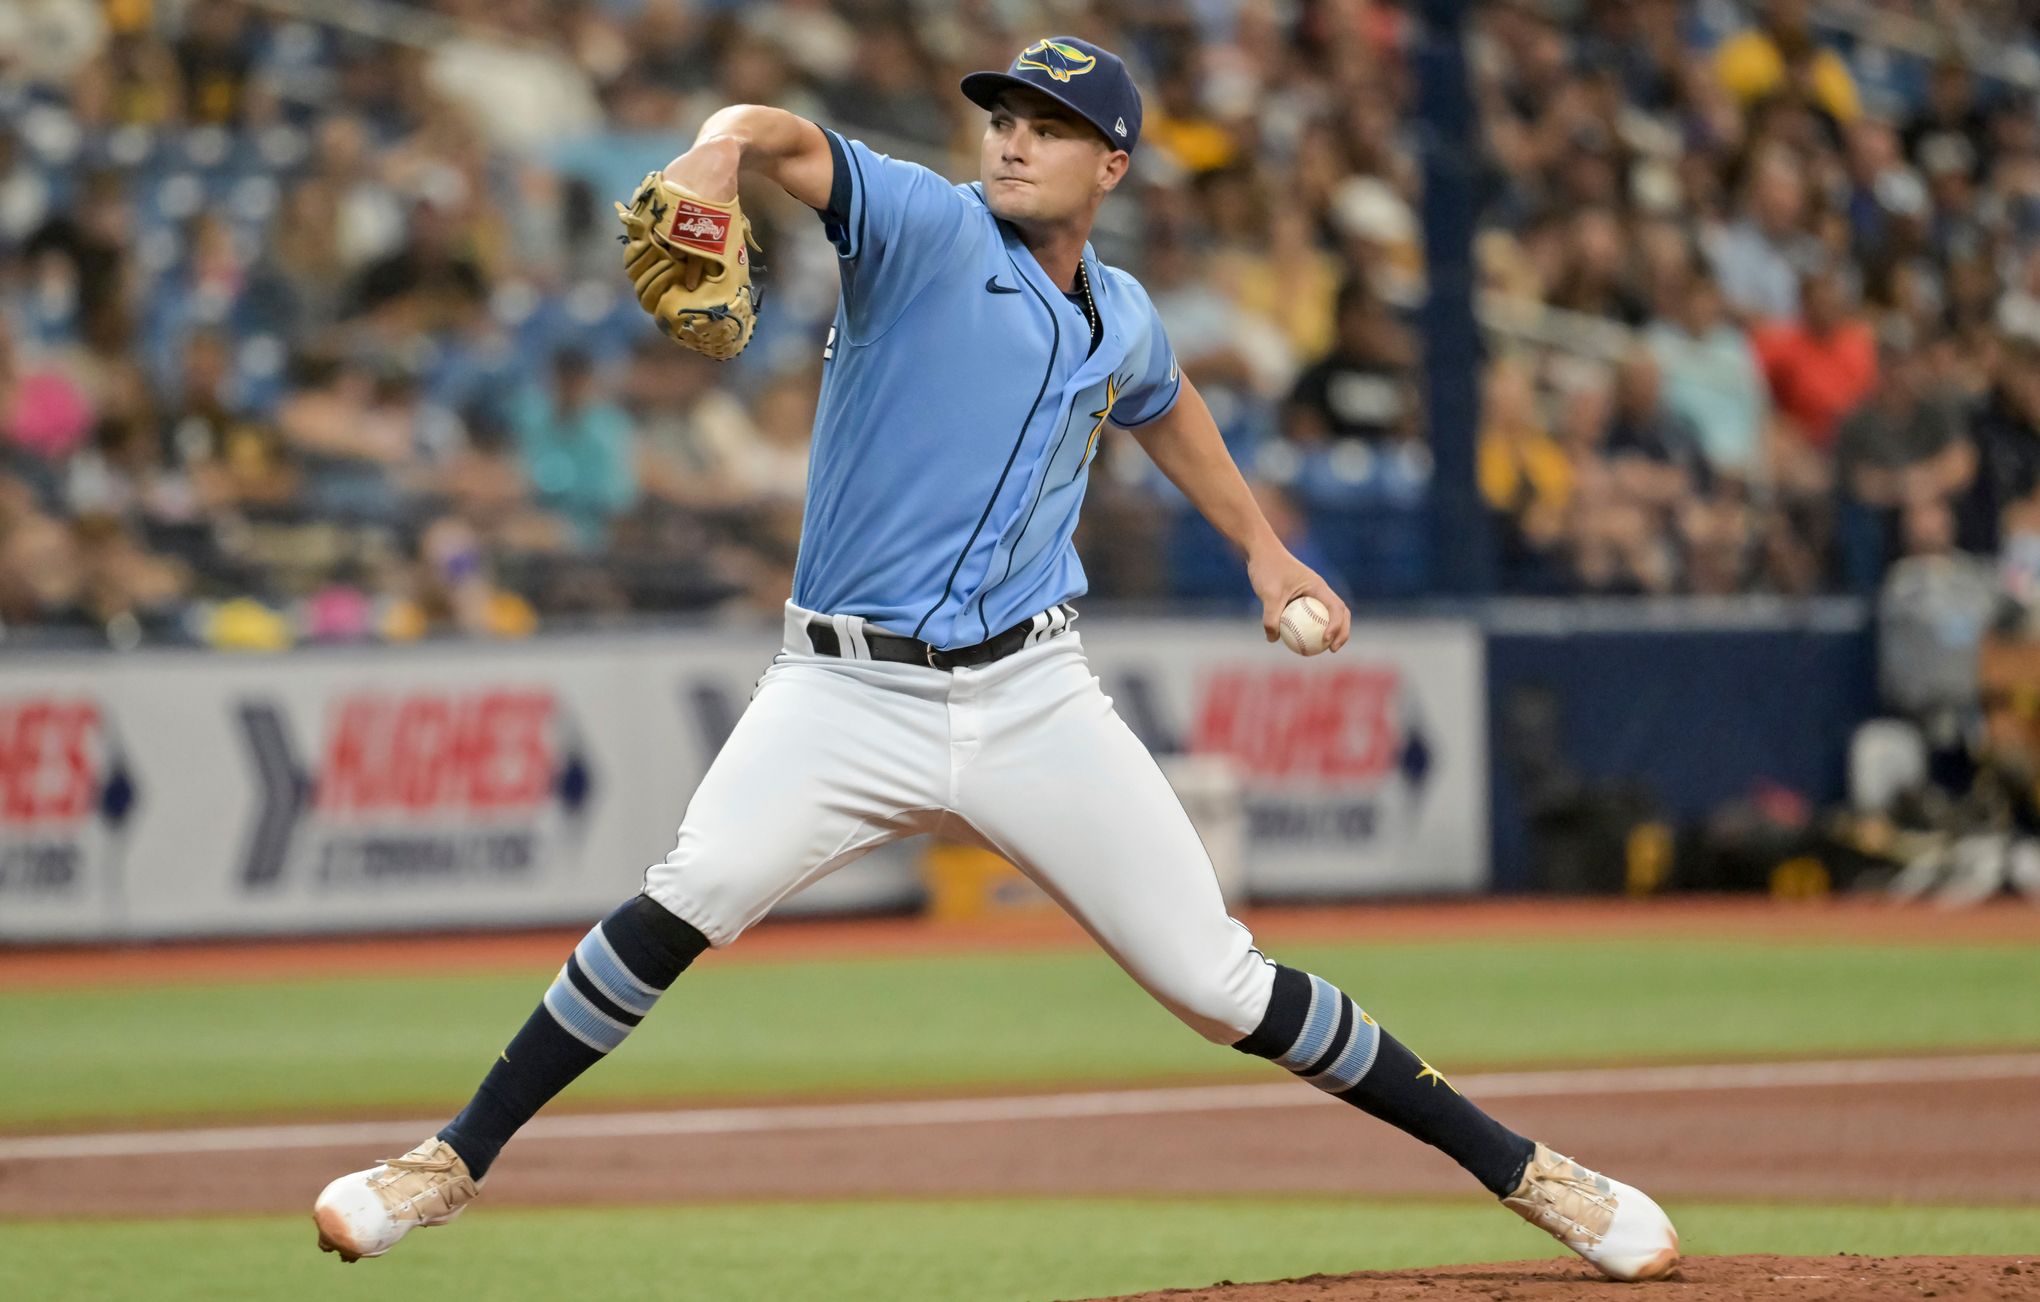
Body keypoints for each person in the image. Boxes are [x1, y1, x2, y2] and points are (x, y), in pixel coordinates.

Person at [310, 36, 1678, 1284]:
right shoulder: (919, 227)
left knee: (1219, 984)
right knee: (696, 887)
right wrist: (718, 146)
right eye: (1005, 116)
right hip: (845, 690)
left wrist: (1264, 549)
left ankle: (1528, 1170)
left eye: (1050, 124)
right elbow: (785, 138)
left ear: (1113, 164)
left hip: (1033, 693)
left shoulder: (1123, 310)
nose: (1013, 139)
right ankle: (444, 1162)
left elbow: (1161, 397)